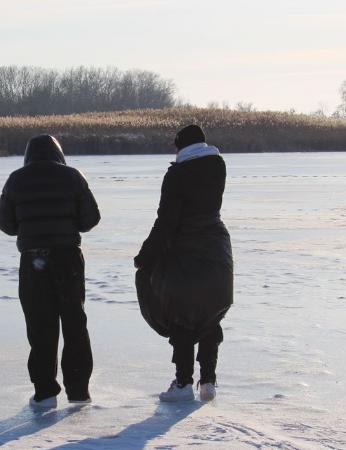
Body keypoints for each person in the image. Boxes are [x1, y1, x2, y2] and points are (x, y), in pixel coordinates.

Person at [0, 135, 100, 409]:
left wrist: (30, 226)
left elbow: (5, 223)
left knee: (40, 325)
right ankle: (78, 391)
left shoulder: (16, 180)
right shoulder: (73, 177)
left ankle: (45, 393)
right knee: (74, 322)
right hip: (68, 258)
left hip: (33, 260)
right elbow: (91, 218)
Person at [134, 124, 233, 402]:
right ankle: (208, 381)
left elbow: (166, 221)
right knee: (209, 313)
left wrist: (146, 255)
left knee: (182, 317)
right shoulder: (218, 166)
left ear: (181, 146)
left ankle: (182, 383)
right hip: (216, 247)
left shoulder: (177, 175)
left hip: (185, 249)